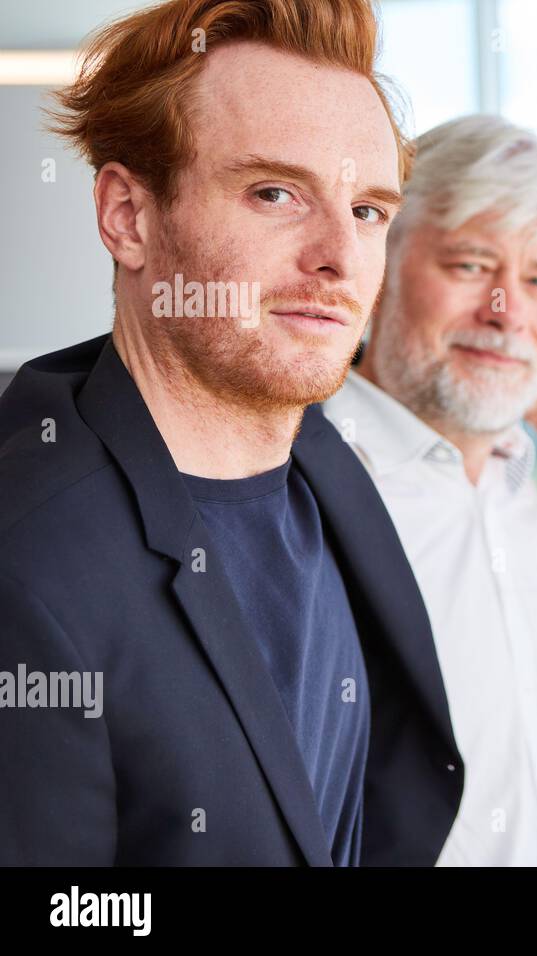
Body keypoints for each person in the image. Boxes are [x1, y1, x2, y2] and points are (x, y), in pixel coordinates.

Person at [0, 0, 462, 865]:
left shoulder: (324, 464)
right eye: (275, 193)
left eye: (367, 209)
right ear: (128, 217)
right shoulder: (29, 564)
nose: (338, 257)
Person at [323, 116, 537, 866]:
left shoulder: (522, 485)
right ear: (381, 265)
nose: (506, 311)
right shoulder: (306, 485)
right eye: (469, 265)